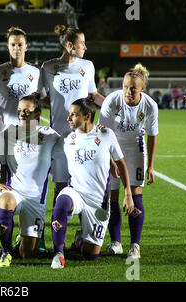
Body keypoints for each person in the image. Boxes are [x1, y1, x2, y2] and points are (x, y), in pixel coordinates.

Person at [41, 24, 105, 249]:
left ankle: (83, 235)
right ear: (70, 46)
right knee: (60, 190)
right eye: (81, 44)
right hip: (59, 140)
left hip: (84, 139)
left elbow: (92, 94)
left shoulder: (87, 66)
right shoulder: (48, 67)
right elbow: (39, 97)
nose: (86, 47)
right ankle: (55, 241)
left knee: (85, 187)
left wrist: (112, 107)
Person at [50, 98, 134, 269]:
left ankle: (81, 239)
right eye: (69, 114)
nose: (69, 118)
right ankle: (58, 253)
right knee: (61, 203)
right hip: (76, 193)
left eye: (73, 115)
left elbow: (122, 164)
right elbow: (45, 150)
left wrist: (128, 194)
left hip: (98, 203)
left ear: (87, 116)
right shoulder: (67, 137)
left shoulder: (106, 134)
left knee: (90, 256)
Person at [0, 93, 65, 267]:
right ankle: (5, 253)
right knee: (5, 201)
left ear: (37, 114)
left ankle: (20, 240)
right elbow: (3, 163)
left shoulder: (50, 136)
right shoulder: (9, 133)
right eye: (19, 111)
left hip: (36, 199)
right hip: (14, 192)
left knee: (27, 254)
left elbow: (73, 143)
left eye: (26, 111)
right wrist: (2, 182)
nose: (21, 114)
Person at [98, 63, 158, 259]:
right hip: (113, 148)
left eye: (133, 88)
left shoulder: (150, 105)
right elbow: (102, 132)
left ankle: (135, 245)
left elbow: (152, 135)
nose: (128, 91)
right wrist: (110, 160)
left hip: (136, 150)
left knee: (135, 194)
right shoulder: (112, 101)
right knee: (113, 196)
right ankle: (116, 242)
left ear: (142, 89)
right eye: (125, 86)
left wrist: (150, 166)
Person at [0, 26, 44, 131]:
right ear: (7, 47)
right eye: (13, 44)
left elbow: (41, 98)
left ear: (26, 47)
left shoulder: (36, 71)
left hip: (31, 132)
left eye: (20, 44)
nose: (16, 48)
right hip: (7, 131)